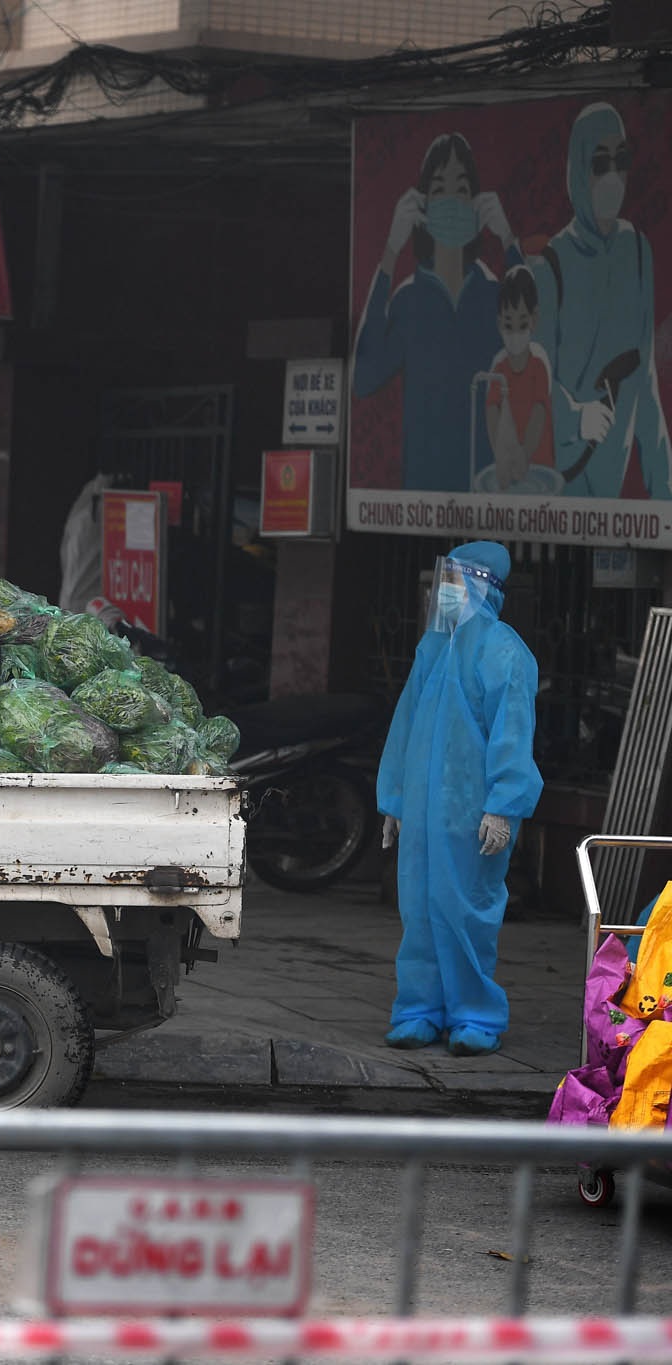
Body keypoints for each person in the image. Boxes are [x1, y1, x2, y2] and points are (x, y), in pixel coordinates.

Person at [377, 541, 543, 1057]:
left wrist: (504, 805)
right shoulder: (432, 647)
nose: (443, 594)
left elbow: (513, 734)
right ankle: (419, 1010)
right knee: (421, 911)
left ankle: (475, 1014)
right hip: (424, 815)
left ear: (480, 586)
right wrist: (395, 800)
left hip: (473, 815)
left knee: (467, 913)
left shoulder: (504, 650)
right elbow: (404, 728)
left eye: (453, 583)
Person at [353, 131, 520, 491]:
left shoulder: (494, 295)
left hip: (490, 496)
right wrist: (390, 252)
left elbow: (540, 341)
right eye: (438, 189)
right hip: (425, 498)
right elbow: (364, 379)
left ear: (477, 204)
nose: (450, 200)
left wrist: (508, 239)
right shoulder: (408, 300)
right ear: (422, 206)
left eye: (461, 189)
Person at [525, 102, 672, 499]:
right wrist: (576, 418)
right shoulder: (551, 265)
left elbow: (645, 383)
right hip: (562, 481)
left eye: (621, 161)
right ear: (578, 170)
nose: (613, 176)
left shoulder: (638, 252)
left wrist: (665, 497)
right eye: (600, 163)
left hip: (613, 491)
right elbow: (532, 381)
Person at [484, 266, 554, 491]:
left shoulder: (538, 367)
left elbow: (539, 412)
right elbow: (492, 411)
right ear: (498, 324)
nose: (515, 332)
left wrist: (524, 453)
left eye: (522, 324)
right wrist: (501, 455)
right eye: (508, 325)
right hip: (509, 475)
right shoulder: (498, 370)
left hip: (540, 469)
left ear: (534, 320)